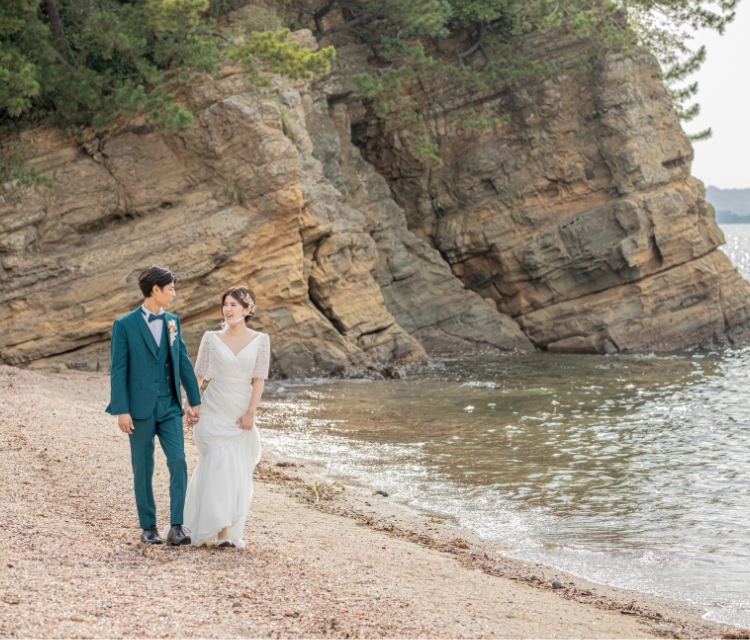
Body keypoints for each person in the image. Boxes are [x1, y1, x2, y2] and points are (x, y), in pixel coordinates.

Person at [105, 265, 202, 546]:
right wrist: (121, 409)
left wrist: (194, 401)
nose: (174, 293)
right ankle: (148, 527)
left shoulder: (173, 321)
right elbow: (118, 369)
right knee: (143, 467)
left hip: (169, 405)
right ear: (155, 290)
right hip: (138, 409)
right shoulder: (124, 324)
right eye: (171, 288)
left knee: (179, 461)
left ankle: (177, 526)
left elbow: (182, 360)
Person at [181, 286, 270, 549]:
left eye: (234, 305)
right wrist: (191, 403)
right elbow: (199, 374)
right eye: (225, 304)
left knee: (234, 473)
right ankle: (223, 534)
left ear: (248, 309)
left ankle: (221, 527)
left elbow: (259, 380)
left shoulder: (260, 340)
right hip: (213, 411)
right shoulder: (211, 338)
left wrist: (251, 413)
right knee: (218, 464)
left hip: (240, 413)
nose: (228, 309)